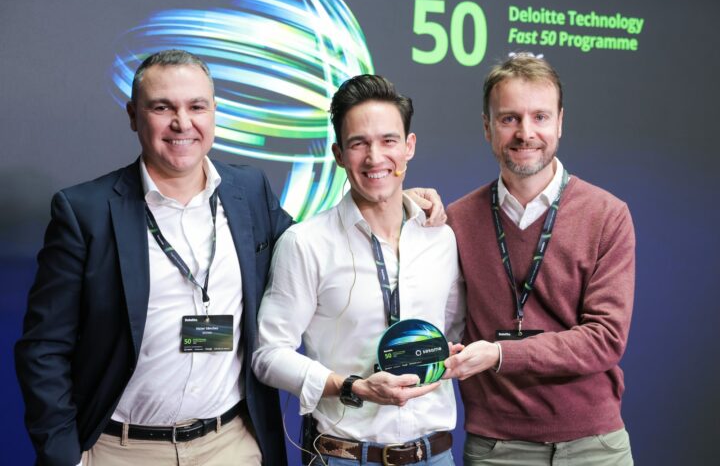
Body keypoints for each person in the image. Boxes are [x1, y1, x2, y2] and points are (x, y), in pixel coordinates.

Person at [15, 50, 445, 466]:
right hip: (122, 449)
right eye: (162, 107)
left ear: (214, 112)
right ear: (133, 115)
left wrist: (391, 199)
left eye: (196, 106)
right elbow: (43, 349)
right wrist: (65, 458)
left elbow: (321, 242)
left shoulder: (249, 192)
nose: (182, 122)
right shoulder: (86, 212)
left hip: (230, 445)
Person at [252, 74, 465, 466]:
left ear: (409, 147)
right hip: (346, 457)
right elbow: (269, 354)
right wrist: (352, 386)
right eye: (358, 144)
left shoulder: (441, 239)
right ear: (338, 153)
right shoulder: (306, 243)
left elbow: (451, 331)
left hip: (434, 455)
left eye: (388, 141)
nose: (374, 157)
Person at [444, 52, 635, 465]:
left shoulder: (607, 215)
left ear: (560, 123)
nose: (525, 133)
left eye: (540, 117)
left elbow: (605, 338)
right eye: (509, 118)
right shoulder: (455, 221)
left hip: (595, 445)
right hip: (498, 448)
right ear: (487, 127)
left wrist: (501, 354)